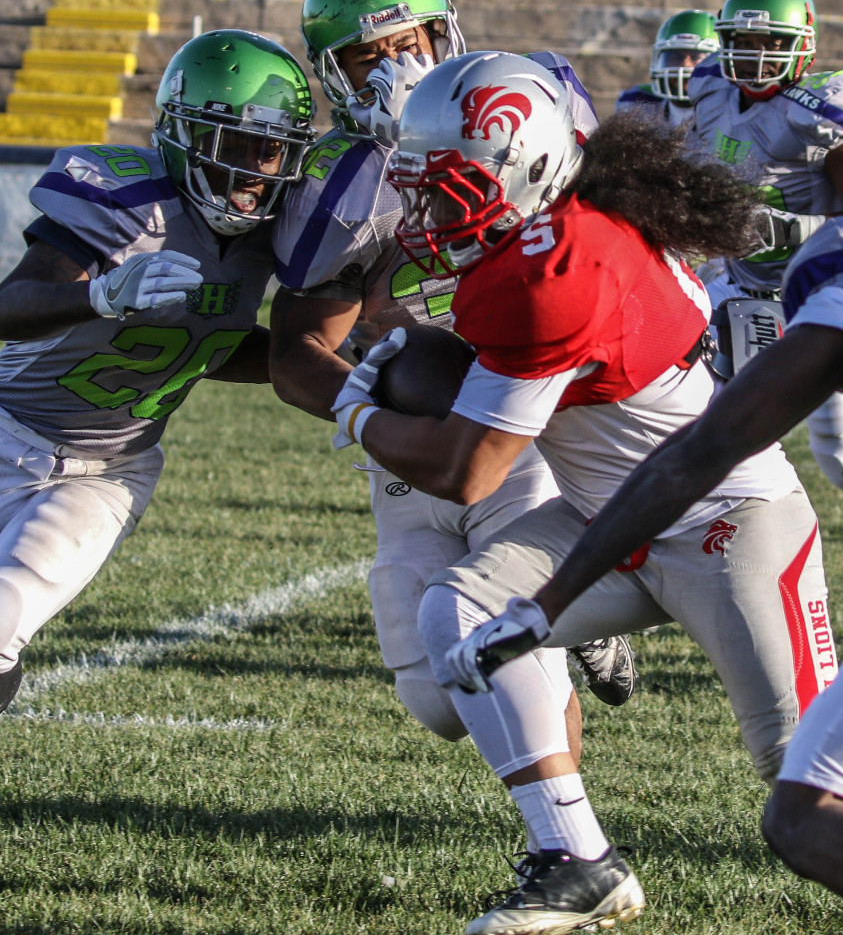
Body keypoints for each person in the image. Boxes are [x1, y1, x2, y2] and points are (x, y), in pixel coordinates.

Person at [330, 50, 837, 934]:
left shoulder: (560, 267)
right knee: (461, 612)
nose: (428, 212)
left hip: (728, 523)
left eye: (453, 187)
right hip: (606, 515)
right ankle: (574, 859)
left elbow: (468, 470)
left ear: (526, 169)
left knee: (804, 776)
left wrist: (355, 417)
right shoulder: (576, 205)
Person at [269, 0, 635, 759]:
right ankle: (574, 612)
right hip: (415, 424)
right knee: (437, 699)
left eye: (411, 43)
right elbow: (298, 349)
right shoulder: (337, 184)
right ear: (332, 74)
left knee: (518, 660)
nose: (396, 68)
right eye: (367, 56)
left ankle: (568, 838)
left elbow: (605, 237)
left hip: (519, 405)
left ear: (447, 33)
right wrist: (362, 403)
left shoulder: (523, 101)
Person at [446, 215, 843, 900]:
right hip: (625, 514)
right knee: (801, 814)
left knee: (800, 795)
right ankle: (572, 856)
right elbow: (704, 451)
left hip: (734, 522)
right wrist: (549, 601)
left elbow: (708, 451)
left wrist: (357, 403)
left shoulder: (821, 262)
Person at [0, 28, 315, 712]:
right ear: (180, 136)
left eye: (270, 149)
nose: (252, 173)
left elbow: (213, 344)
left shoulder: (284, 227)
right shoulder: (127, 200)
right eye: (232, 146)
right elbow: (10, 305)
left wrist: (338, 372)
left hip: (107, 470)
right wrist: (100, 294)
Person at [690, 0, 843, 485]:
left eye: (773, 42)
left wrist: (798, 231)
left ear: (802, 44)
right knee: (694, 409)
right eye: (744, 41)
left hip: (808, 292)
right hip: (732, 281)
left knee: (836, 443)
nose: (757, 55)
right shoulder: (710, 87)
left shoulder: (817, 113)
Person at [615, 8, 718, 124]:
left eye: (695, 57)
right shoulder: (638, 102)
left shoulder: (730, 106)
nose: (685, 64)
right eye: (677, 57)